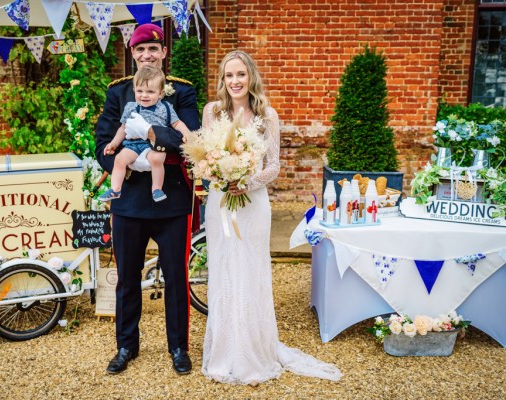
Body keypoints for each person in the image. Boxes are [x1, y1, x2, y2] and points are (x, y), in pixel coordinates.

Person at [201, 50, 343, 385]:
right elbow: (206, 158)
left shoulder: (267, 115)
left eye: (240, 74)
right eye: (228, 75)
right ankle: (224, 352)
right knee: (223, 270)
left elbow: (274, 166)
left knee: (251, 271)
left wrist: (246, 181)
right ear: (222, 79)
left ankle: (253, 353)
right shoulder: (213, 112)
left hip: (253, 205)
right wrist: (223, 178)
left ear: (251, 76)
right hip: (221, 202)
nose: (234, 81)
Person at [95, 23, 200, 375]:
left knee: (175, 276)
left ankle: (178, 347)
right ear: (132, 53)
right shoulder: (118, 93)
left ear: (163, 53)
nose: (146, 55)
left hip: (171, 200)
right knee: (127, 277)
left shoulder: (180, 92)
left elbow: (189, 140)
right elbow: (102, 143)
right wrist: (126, 164)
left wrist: (151, 133)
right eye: (140, 50)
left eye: (153, 49)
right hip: (128, 201)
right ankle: (126, 345)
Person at [99, 66, 192, 203]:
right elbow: (123, 128)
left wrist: (187, 133)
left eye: (150, 91)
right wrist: (114, 143)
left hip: (155, 144)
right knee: (120, 160)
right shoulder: (130, 107)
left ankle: (157, 188)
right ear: (134, 90)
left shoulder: (165, 108)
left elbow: (177, 123)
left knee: (156, 159)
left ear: (160, 93)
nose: (144, 95)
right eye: (140, 91)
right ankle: (116, 189)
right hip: (133, 144)